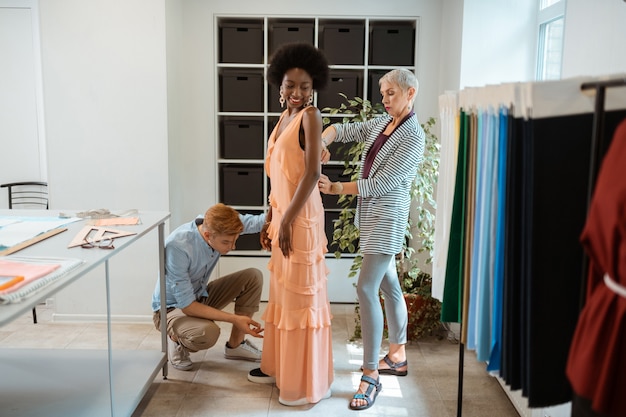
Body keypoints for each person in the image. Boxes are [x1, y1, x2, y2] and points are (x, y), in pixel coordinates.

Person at [318, 68, 425, 411]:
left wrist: (335, 188)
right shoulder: (382, 123)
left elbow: (382, 184)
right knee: (389, 285)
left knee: (366, 288)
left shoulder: (414, 136)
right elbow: (347, 128)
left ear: (410, 94)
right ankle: (397, 354)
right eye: (382, 93)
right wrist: (323, 139)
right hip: (372, 216)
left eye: (390, 93)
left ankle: (370, 375)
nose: (384, 99)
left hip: (387, 219)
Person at [246, 42, 334, 407]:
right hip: (283, 217)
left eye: (304, 86)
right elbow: (277, 178)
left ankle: (304, 384)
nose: (297, 92)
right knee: (283, 297)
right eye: (289, 85)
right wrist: (270, 219)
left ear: (313, 87)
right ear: (278, 85)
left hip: (301, 219)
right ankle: (280, 367)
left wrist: (287, 222)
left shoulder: (310, 116)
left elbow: (312, 173)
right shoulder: (282, 119)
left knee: (302, 302)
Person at [151, 203, 269, 371]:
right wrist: (234, 318)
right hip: (172, 309)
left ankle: (235, 346)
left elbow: (260, 221)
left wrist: (283, 202)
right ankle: (176, 339)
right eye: (226, 242)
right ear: (207, 235)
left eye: (235, 240)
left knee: (253, 276)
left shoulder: (220, 223)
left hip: (200, 296)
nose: (232, 247)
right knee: (208, 333)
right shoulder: (178, 247)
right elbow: (187, 305)